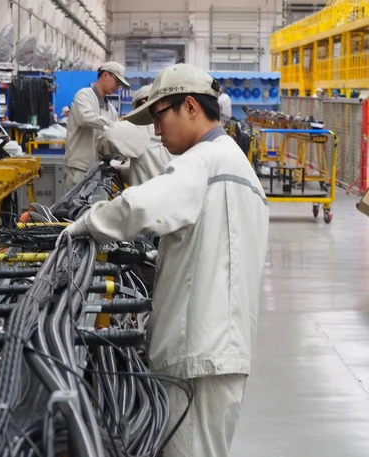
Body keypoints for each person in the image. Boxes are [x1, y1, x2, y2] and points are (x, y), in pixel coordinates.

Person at [66, 63, 269, 457]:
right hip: (221, 348)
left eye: (159, 117)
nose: (156, 131)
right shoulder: (239, 169)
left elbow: (139, 206)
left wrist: (82, 225)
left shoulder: (203, 161)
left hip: (196, 351)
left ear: (190, 107)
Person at [64, 61, 130, 191]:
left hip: (99, 171)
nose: (118, 86)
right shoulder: (84, 95)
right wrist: (115, 126)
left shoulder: (111, 110)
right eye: (117, 82)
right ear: (105, 75)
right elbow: (85, 118)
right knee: (76, 210)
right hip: (80, 169)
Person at [96, 84, 172, 187]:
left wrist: (104, 155)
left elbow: (108, 137)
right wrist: (121, 169)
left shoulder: (142, 125)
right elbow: (151, 168)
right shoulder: (174, 128)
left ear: (143, 104)